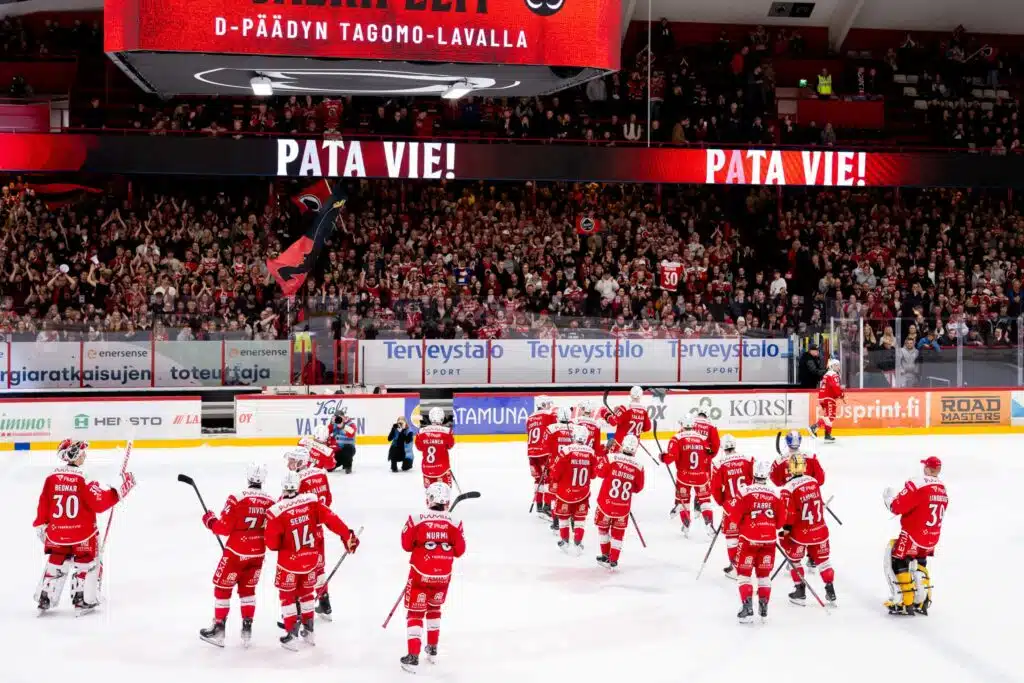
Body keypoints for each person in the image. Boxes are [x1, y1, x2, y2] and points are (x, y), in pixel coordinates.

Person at [33, 439, 137, 614]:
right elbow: (100, 503)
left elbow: (44, 503)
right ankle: (83, 599)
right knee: (86, 563)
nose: (85, 455)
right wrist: (120, 490)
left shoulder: (51, 478)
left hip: (56, 534)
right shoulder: (85, 479)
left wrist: (41, 524)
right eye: (82, 453)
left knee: (56, 560)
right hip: (82, 534)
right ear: (75, 455)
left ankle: (46, 596)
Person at [265, 471, 359, 650]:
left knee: (287, 596)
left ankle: (291, 633)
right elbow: (332, 520)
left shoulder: (276, 510)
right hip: (311, 560)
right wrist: (347, 535)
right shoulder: (312, 501)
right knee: (307, 594)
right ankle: (309, 631)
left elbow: (272, 544)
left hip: (289, 562)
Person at [199, 463, 274, 647]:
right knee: (248, 591)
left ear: (248, 478)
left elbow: (223, 528)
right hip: (257, 554)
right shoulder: (271, 502)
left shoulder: (237, 498)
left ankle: (218, 629)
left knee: (222, 589)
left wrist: (210, 521)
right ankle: (247, 629)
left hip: (235, 553)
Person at [400, 482, 466, 673]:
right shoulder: (454, 522)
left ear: (429, 499)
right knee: (434, 609)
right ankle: (433, 648)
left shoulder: (416, 519)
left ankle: (413, 656)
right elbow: (460, 551)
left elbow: (406, 545)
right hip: (442, 576)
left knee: (415, 612)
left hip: (420, 574)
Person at [883, 456, 948, 616]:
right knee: (920, 561)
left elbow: (897, 506)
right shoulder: (942, 487)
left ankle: (905, 601)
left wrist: (888, 499)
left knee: (897, 559)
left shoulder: (917, 483)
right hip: (932, 536)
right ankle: (923, 599)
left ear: (926, 468)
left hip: (913, 534)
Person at [730, 459, 786, 622]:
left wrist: (745, 525)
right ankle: (763, 605)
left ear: (753, 474)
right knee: (764, 575)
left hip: (748, 539)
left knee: (744, 574)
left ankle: (747, 607)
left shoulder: (745, 491)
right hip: (769, 541)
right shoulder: (776, 493)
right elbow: (781, 522)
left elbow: (734, 517)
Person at [779, 453, 837, 606]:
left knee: (795, 561)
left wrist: (782, 533)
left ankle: (800, 591)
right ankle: (830, 589)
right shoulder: (814, 482)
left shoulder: (787, 488)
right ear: (804, 466)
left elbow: (789, 515)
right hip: (820, 529)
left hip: (800, 533)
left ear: (790, 469)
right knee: (824, 562)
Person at [594, 434, 645, 568]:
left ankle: (605, 555)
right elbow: (638, 488)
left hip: (605, 503)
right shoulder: (639, 466)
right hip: (622, 506)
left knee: (603, 528)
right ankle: (614, 559)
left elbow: (598, 472)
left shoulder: (611, 458)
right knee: (618, 532)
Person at [548, 424, 598, 554]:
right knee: (580, 519)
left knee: (564, 517)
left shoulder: (566, 451)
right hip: (582, 493)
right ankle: (578, 542)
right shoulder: (591, 452)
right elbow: (593, 475)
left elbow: (555, 473)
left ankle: (565, 541)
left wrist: (555, 478)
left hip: (565, 492)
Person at [662, 415, 715, 537]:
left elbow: (671, 457)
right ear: (693, 425)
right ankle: (709, 524)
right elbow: (709, 454)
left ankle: (686, 525)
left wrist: (663, 457)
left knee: (684, 502)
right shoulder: (702, 438)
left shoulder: (677, 438)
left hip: (684, 477)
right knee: (705, 501)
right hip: (701, 476)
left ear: (682, 425)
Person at [710, 434, 754, 579]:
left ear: (723, 447)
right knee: (748, 535)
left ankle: (736, 567)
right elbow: (755, 481)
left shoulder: (719, 464)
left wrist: (724, 503)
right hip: (748, 504)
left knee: (732, 537)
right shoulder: (748, 460)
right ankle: (748, 564)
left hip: (731, 506)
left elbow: (715, 489)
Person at [541, 405, 575, 525]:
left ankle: (555, 520)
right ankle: (572, 516)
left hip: (555, 467)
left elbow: (545, 446)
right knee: (570, 491)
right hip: (571, 468)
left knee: (554, 493)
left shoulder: (551, 428)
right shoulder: (576, 429)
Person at [526, 395, 557, 517]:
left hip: (531, 453)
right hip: (544, 452)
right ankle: (547, 505)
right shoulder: (549, 415)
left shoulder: (529, 418)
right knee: (549, 479)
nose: (550, 406)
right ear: (543, 404)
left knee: (538, 479)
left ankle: (539, 505)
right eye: (548, 404)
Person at [415, 407, 456, 490]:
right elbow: (450, 445)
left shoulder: (421, 432)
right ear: (442, 417)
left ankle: (431, 502)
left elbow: (419, 447)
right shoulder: (447, 431)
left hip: (427, 468)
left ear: (430, 418)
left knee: (430, 491)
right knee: (445, 489)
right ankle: (444, 502)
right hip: (442, 469)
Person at [810, 358, 844, 442]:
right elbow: (835, 386)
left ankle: (827, 435)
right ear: (832, 366)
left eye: (838, 365)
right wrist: (841, 394)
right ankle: (814, 427)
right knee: (830, 416)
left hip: (823, 397)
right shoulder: (833, 374)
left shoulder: (827, 374)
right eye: (836, 365)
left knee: (829, 416)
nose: (838, 367)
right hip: (828, 398)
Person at [332, 404, 359, 473]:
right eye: (336, 417)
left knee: (348, 448)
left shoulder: (350, 424)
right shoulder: (333, 424)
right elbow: (328, 435)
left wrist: (343, 426)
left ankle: (348, 464)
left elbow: (351, 433)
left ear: (343, 417)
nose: (337, 419)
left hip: (348, 448)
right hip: (337, 449)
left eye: (339, 417)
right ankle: (343, 461)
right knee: (330, 468)